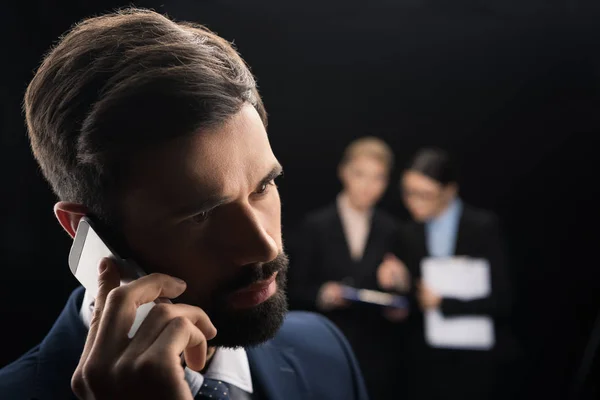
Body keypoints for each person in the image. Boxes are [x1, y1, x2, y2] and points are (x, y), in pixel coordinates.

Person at [0, 8, 368, 400]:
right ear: (85, 231)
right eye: (202, 214)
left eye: (263, 186)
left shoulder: (326, 353)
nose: (265, 246)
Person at [377, 148, 512, 400]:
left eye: (425, 195)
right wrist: (400, 287)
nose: (414, 202)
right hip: (424, 363)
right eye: (408, 192)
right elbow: (407, 304)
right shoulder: (407, 233)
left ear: (449, 191)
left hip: (476, 361)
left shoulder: (482, 227)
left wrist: (442, 303)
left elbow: (503, 300)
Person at [287, 137, 402, 400]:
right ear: (344, 172)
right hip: (326, 347)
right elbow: (293, 290)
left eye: (378, 178)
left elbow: (403, 300)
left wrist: (399, 285)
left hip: (376, 353)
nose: (368, 186)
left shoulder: (392, 229)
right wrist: (324, 294)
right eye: (360, 174)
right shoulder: (314, 225)